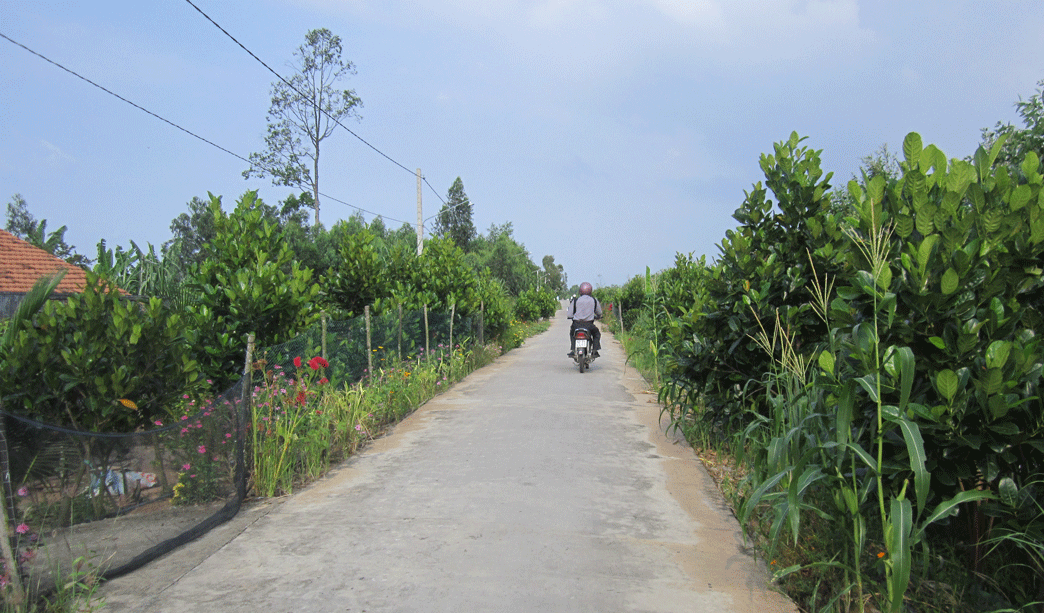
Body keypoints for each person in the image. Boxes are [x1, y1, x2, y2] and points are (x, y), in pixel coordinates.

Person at [566, 282, 602, 357]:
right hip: (589, 325)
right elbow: (599, 313)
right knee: (596, 334)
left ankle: (573, 349)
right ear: (590, 291)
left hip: (576, 324)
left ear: (580, 291)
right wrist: (598, 316)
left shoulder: (575, 301)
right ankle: (595, 351)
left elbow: (569, 314)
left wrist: (572, 316)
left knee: (572, 333)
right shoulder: (594, 300)